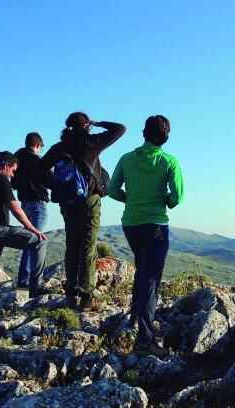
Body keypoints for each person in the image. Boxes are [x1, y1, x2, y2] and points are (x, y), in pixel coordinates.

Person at [108, 115, 184, 354]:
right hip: (156, 225)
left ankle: (134, 318)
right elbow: (178, 196)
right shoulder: (168, 161)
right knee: (150, 279)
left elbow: (111, 190)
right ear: (166, 136)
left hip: (131, 223)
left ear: (144, 133)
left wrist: (130, 199)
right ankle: (145, 340)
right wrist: (166, 201)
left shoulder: (127, 158)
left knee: (142, 270)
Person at [42, 112, 126, 309]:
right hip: (90, 199)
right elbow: (120, 129)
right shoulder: (91, 142)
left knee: (72, 244)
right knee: (88, 246)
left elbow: (39, 170)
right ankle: (86, 295)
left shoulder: (59, 148)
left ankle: (71, 293)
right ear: (86, 125)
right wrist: (98, 123)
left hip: (68, 201)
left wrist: (57, 186)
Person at [0, 151, 48, 320]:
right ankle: (36, 285)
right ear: (6, 166)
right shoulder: (0, 179)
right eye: (13, 170)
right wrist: (32, 229)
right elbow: (15, 208)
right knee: (39, 241)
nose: (13, 174)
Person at [13, 132, 52, 292]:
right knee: (37, 241)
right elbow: (50, 180)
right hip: (37, 203)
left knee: (28, 241)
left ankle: (23, 280)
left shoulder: (16, 159)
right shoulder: (37, 160)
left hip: (24, 203)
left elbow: (13, 183)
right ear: (37, 145)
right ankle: (35, 283)